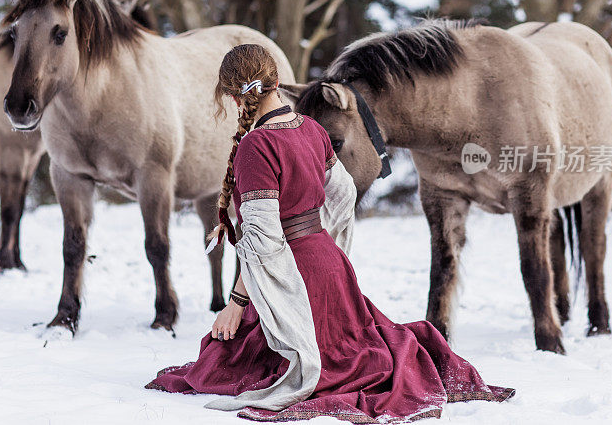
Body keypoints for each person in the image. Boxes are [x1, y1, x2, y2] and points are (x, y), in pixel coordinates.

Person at [146, 44, 513, 423]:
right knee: (340, 348)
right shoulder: (313, 129)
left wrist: (236, 303)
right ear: (276, 82)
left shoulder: (256, 146)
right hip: (328, 265)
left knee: (224, 360)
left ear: (237, 96)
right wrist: (325, 245)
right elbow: (342, 195)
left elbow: (261, 237)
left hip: (294, 271)